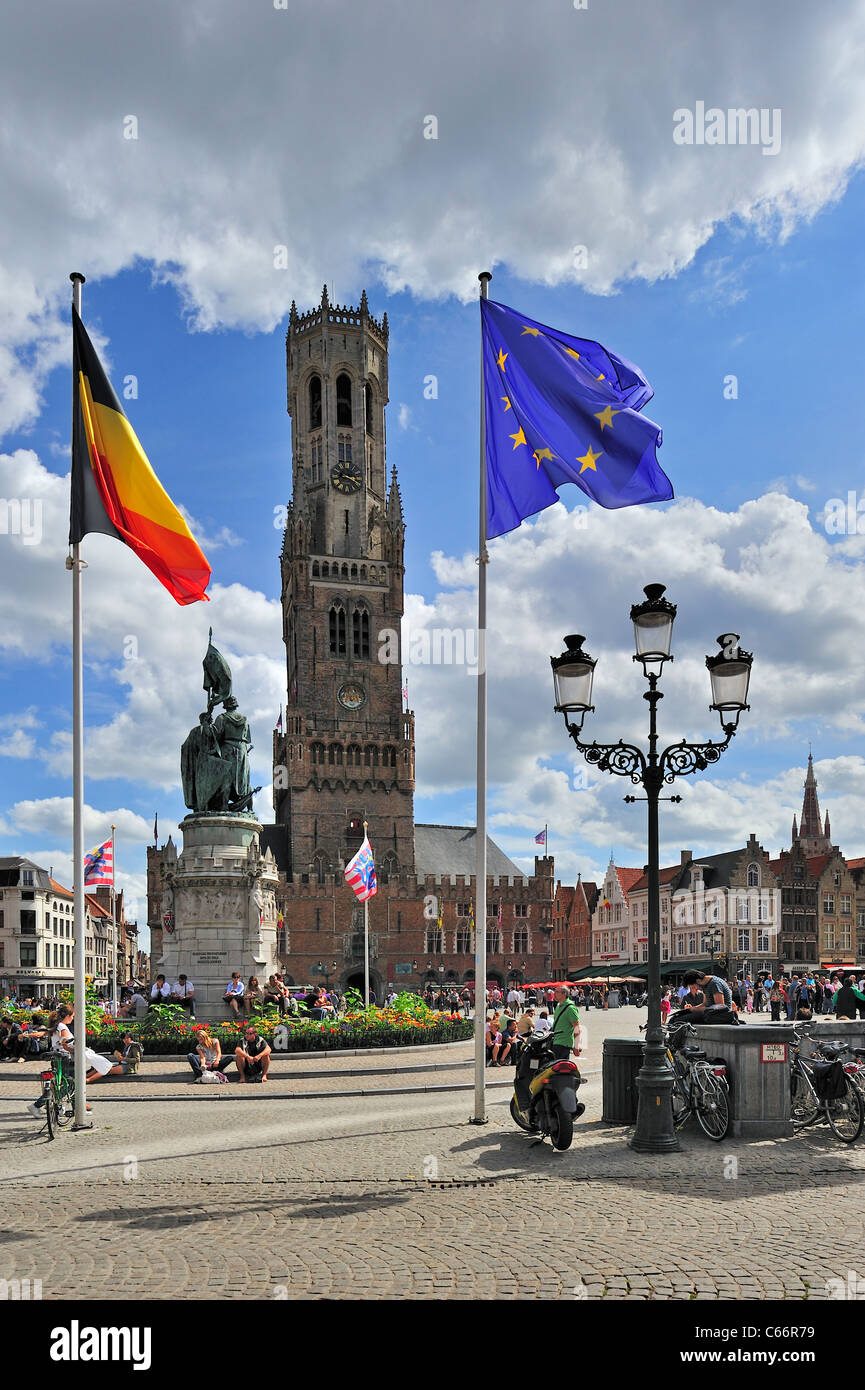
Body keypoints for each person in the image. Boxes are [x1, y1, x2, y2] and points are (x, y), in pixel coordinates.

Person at [548, 984, 582, 1063]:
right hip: (555, 1041)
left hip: (564, 1043)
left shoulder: (570, 1008)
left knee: (561, 1069)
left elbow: (577, 1027)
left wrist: (576, 1046)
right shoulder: (558, 1006)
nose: (554, 994)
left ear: (564, 994)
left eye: (557, 992)